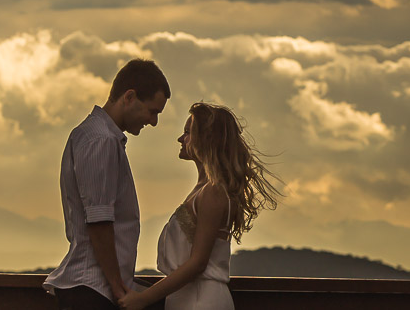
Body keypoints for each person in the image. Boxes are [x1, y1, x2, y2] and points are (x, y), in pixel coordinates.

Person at [118, 102, 281, 310]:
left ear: (206, 139)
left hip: (201, 300)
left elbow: (198, 263)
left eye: (187, 132)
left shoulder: (213, 192)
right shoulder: (204, 190)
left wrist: (142, 299)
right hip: (189, 298)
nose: (180, 138)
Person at [44, 59, 171, 310]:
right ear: (129, 97)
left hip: (93, 288)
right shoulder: (101, 140)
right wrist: (117, 288)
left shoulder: (95, 136)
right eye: (152, 111)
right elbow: (99, 221)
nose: (154, 121)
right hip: (93, 290)